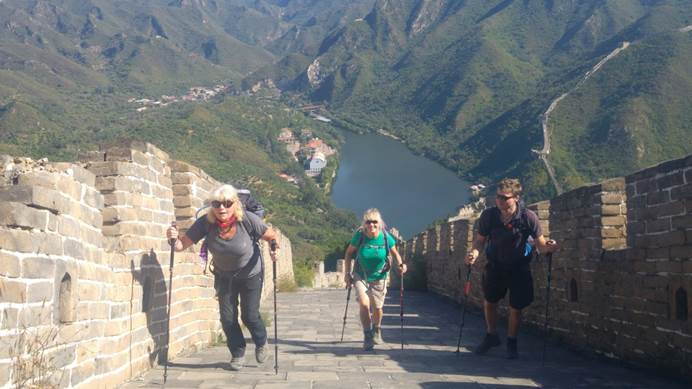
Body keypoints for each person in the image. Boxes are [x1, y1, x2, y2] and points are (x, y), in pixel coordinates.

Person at [166, 184, 279, 370]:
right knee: (228, 318)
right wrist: (172, 238)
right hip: (224, 275)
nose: (222, 208)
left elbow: (271, 236)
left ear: (235, 204)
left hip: (251, 274)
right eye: (217, 204)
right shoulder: (205, 223)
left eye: (227, 203)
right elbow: (180, 245)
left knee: (249, 316)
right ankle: (237, 353)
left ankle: (261, 341)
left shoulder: (248, 220)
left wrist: (274, 249)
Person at [465, 178, 558, 359]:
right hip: (495, 265)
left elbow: (540, 245)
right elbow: (480, 241)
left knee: (516, 307)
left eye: (504, 197)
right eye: (498, 196)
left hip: (518, 267)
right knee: (490, 301)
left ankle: (511, 342)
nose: (499, 200)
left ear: (516, 197)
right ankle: (492, 335)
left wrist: (550, 246)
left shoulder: (527, 217)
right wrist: (474, 253)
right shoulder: (489, 216)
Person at [343, 208, 407, 350]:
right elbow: (348, 253)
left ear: (380, 223)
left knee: (378, 308)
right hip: (361, 275)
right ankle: (367, 336)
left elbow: (395, 254)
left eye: (375, 222)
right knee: (364, 304)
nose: (371, 225)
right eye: (368, 222)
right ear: (364, 223)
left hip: (380, 277)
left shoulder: (386, 237)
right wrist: (347, 273)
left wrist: (401, 265)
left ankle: (376, 329)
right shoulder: (359, 236)